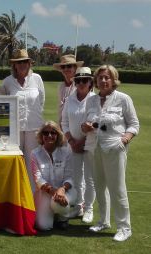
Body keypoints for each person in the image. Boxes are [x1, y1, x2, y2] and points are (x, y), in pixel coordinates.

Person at [81, 65, 139, 242]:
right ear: (96, 81)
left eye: (107, 78)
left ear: (114, 80)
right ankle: (103, 221)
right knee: (99, 186)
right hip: (94, 148)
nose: (104, 81)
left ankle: (124, 227)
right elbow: (87, 124)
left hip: (114, 148)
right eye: (100, 78)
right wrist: (85, 127)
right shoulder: (91, 101)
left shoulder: (123, 99)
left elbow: (134, 124)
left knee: (117, 188)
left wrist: (124, 140)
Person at [0, 49, 45, 191]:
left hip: (34, 127)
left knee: (33, 163)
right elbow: (3, 103)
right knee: (16, 162)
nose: (22, 64)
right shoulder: (7, 82)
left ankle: (32, 198)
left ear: (29, 63)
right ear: (14, 65)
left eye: (25, 62)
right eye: (19, 62)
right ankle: (16, 196)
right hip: (15, 129)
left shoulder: (37, 78)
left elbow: (41, 101)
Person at [61, 67, 96, 223]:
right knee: (76, 178)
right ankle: (78, 207)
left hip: (90, 145)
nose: (81, 83)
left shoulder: (95, 99)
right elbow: (64, 122)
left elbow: (96, 123)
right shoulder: (69, 99)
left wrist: (82, 142)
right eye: (78, 80)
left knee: (89, 178)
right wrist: (71, 141)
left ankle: (89, 208)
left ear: (90, 82)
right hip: (72, 145)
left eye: (85, 80)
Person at [30, 121, 76, 231]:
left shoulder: (66, 152)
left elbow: (70, 177)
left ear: (58, 135)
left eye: (53, 132)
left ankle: (62, 217)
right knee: (43, 226)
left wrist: (62, 190)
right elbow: (38, 179)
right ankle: (54, 212)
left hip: (65, 191)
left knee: (59, 206)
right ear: (41, 135)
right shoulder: (34, 154)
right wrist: (55, 192)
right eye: (45, 133)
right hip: (46, 192)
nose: (49, 135)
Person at [53, 54, 84, 124]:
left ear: (75, 68)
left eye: (69, 66)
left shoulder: (82, 84)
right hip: (62, 124)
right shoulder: (61, 86)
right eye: (63, 67)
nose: (66, 69)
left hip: (77, 125)